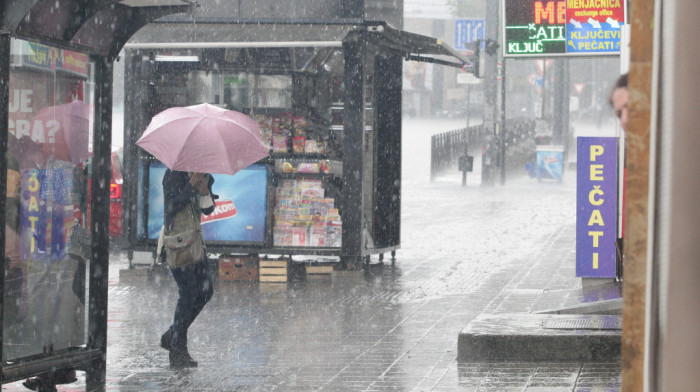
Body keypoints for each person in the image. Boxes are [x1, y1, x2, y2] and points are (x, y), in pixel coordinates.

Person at [160, 170, 216, 369]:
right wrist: (189, 186)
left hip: (196, 243)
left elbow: (208, 210)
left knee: (206, 291)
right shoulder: (174, 174)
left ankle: (172, 334)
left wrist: (204, 190)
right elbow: (170, 208)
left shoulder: (206, 175)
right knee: (188, 293)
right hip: (178, 242)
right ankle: (177, 350)